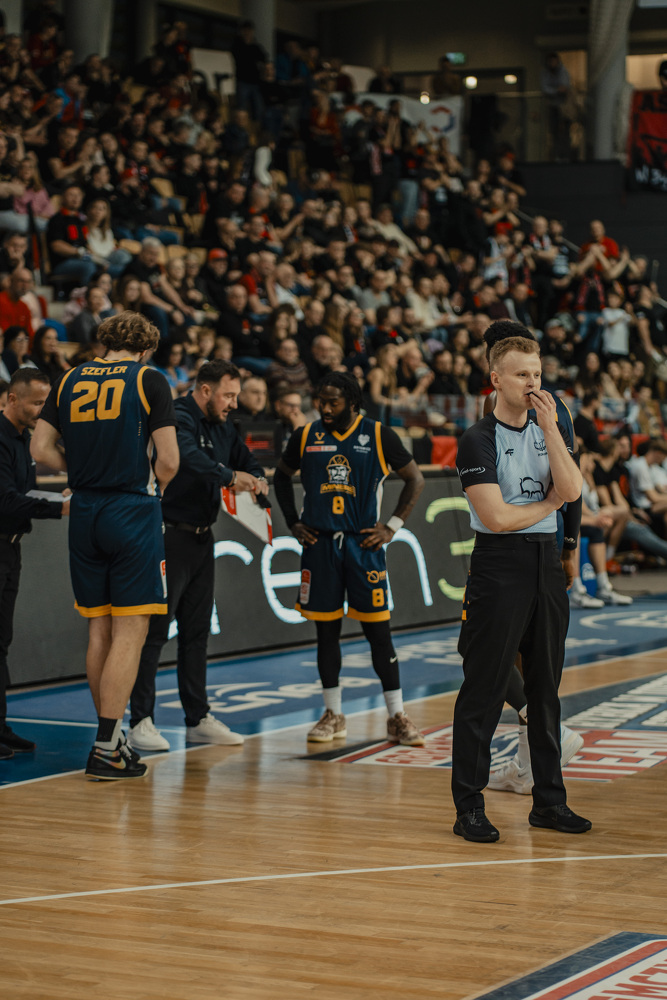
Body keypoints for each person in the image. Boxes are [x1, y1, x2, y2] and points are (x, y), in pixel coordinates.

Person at [452, 333, 591, 841]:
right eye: (521, 375)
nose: (533, 384)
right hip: (499, 565)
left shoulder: (547, 426)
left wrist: (551, 429)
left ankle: (549, 802)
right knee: (485, 689)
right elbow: (496, 517)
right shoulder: (477, 438)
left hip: (545, 563)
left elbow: (573, 489)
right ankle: (469, 807)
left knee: (545, 690)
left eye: (537, 374)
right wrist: (548, 505)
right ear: (496, 379)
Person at [31, 312, 180, 780]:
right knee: (131, 631)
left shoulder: (69, 378)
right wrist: (156, 489)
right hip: (130, 508)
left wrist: (77, 470)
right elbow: (169, 460)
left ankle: (111, 742)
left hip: (84, 509)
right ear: (145, 349)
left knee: (99, 629)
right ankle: (105, 747)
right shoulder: (149, 379)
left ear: (105, 342)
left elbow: (39, 449)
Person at [273, 371, 426, 745]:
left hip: (363, 546)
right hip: (321, 546)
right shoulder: (305, 436)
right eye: (321, 402)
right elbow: (281, 476)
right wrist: (293, 521)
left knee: (379, 633)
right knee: (326, 633)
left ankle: (397, 715)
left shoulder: (378, 435)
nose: (325, 409)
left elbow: (415, 479)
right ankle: (333, 714)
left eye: (333, 402)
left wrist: (391, 526)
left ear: (353, 403)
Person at [128, 359, 268, 752]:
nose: (234, 404)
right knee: (155, 632)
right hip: (168, 535)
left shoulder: (223, 423)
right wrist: (230, 477)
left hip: (203, 538)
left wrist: (257, 477)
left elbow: (245, 458)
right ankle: (140, 720)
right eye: (228, 395)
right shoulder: (177, 415)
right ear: (205, 390)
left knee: (196, 632)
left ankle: (197, 718)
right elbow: (185, 457)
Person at [0, 369, 69, 761]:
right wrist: (60, 508)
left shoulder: (21, 439)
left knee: (2, 640)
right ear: (12, 399)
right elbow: (5, 500)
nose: (43, 411)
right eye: (37, 403)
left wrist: (58, 496)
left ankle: (0, 725)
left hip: (11, 548)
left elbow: (24, 490)